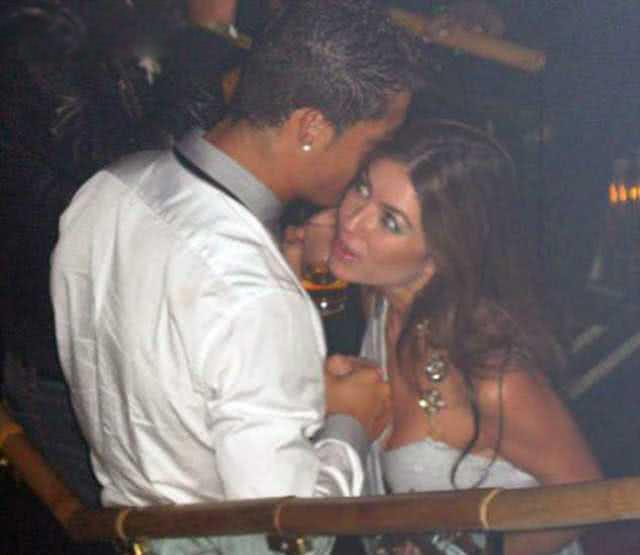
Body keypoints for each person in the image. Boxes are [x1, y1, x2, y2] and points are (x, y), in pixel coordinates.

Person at [50, 1, 421, 553]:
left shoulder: (108, 188)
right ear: (311, 128)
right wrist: (349, 424)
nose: (371, 165)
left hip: (126, 524)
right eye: (374, 145)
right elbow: (293, 537)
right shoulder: (255, 297)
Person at [323, 120, 602, 554]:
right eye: (362, 188)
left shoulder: (493, 377)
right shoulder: (380, 298)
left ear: (438, 257)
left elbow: (585, 501)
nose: (352, 220)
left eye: (390, 222)